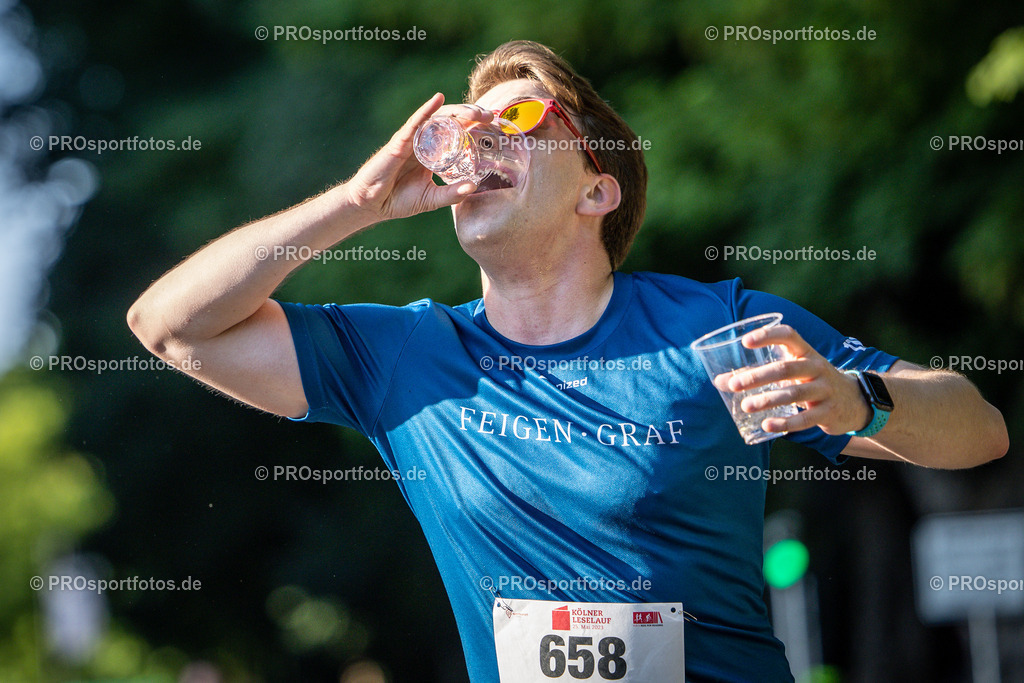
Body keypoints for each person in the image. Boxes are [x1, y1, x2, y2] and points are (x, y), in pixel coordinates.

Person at [127, 40, 1008, 682]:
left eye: (517, 117)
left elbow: (980, 429)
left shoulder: (715, 326)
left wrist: (854, 399)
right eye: (469, 129)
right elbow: (172, 327)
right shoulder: (406, 355)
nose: (481, 143)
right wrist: (353, 206)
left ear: (598, 187)